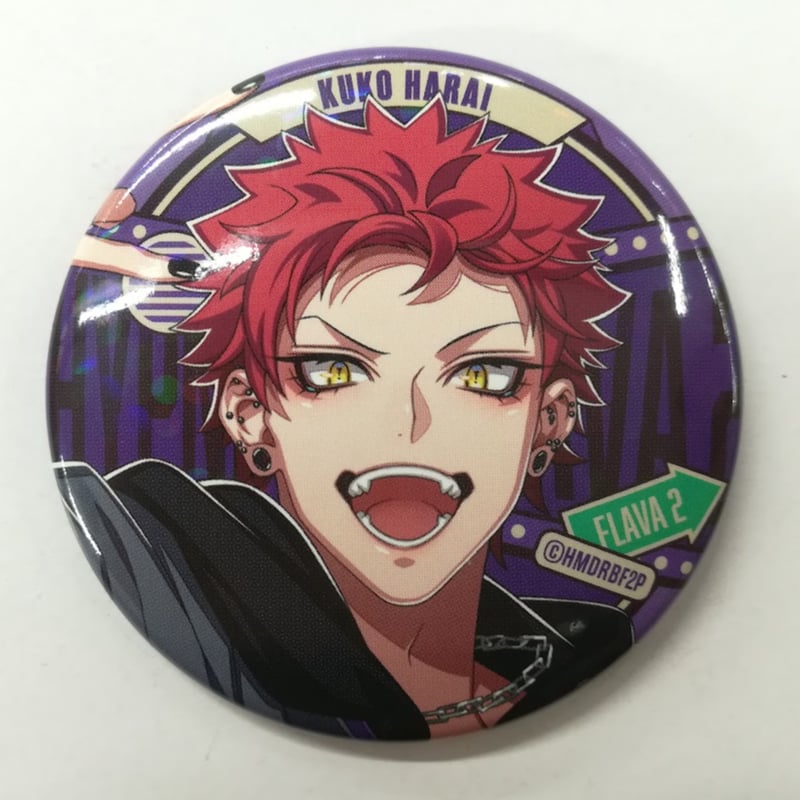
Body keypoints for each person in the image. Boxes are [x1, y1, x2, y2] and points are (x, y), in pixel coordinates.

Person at [56, 97, 633, 739]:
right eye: (333, 370)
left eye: (483, 375)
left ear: (549, 419)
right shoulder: (167, 569)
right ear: (249, 412)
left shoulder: (577, 651)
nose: (406, 426)